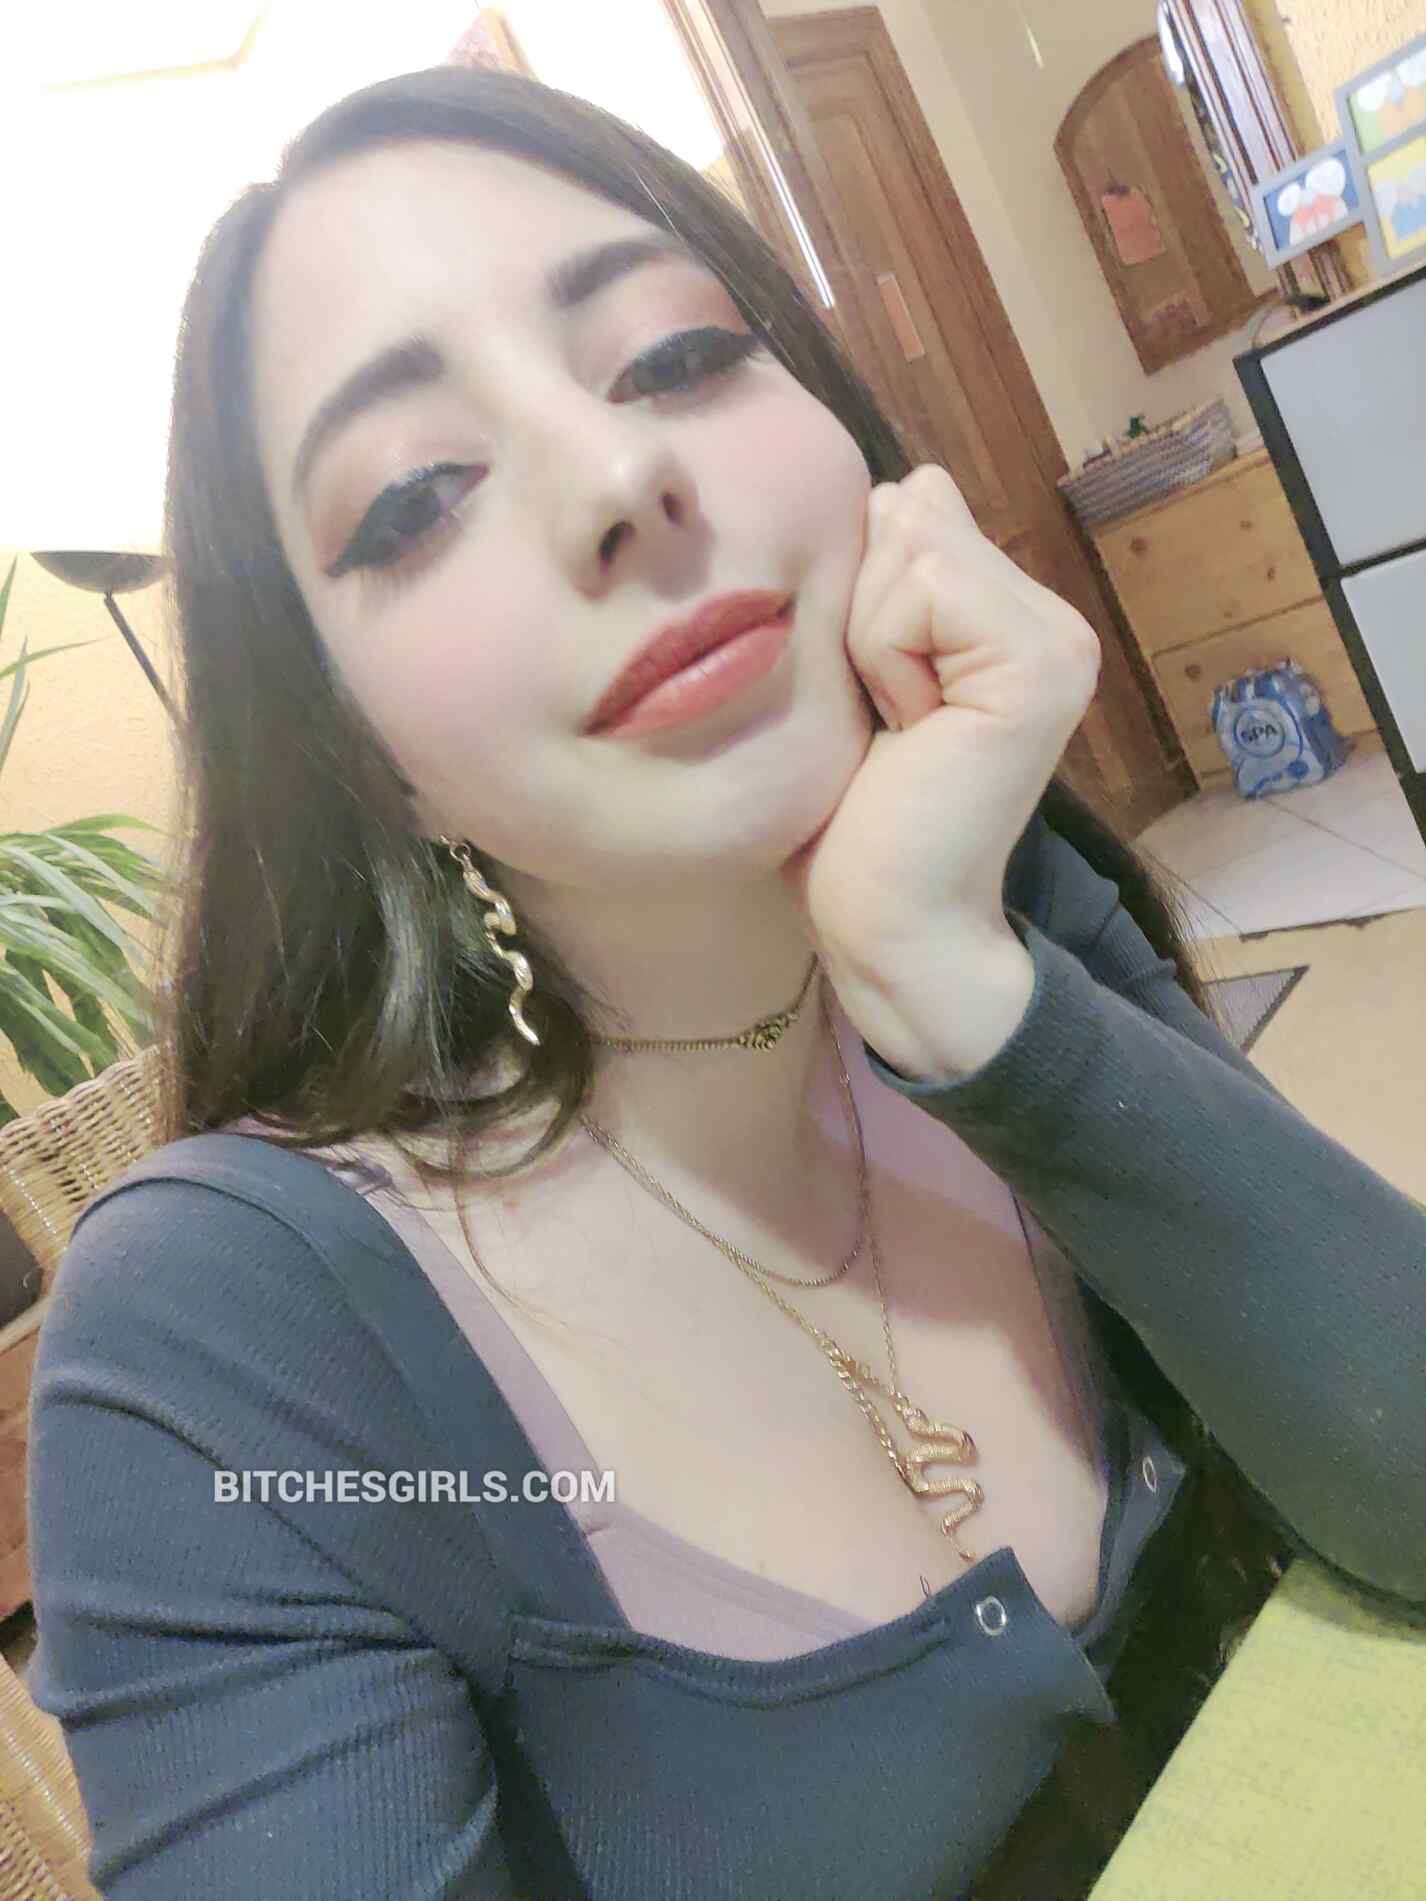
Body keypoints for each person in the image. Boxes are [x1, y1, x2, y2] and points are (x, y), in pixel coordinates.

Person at [26, 64, 1426, 1901]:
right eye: (417, 497)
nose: (619, 474)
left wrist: (957, 986)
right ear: (362, 760)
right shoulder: (227, 1353)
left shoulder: (985, 891)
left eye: (676, 355)